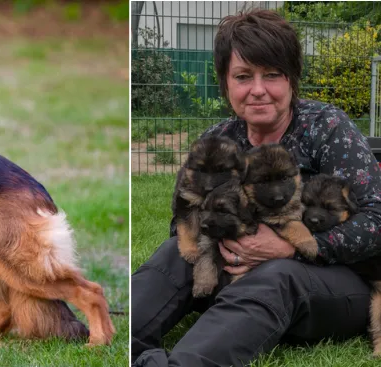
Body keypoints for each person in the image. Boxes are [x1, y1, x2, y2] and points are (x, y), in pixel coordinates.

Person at [131, 9, 381, 367]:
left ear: (292, 79)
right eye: (243, 76)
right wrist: (228, 241)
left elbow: (376, 218)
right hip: (229, 269)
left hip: (333, 283)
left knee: (277, 275)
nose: (258, 90)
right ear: (225, 83)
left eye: (272, 75)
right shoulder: (217, 139)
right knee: (175, 253)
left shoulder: (327, 127)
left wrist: (289, 248)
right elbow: (182, 220)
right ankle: (120, 343)